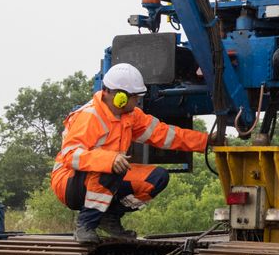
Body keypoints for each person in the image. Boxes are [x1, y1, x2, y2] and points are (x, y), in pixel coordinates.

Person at [51, 63, 209, 243]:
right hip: (70, 183)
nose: (138, 101)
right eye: (136, 96)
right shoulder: (89, 117)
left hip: (104, 177)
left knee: (157, 178)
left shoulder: (131, 116)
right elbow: (71, 155)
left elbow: (164, 134)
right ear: (120, 97)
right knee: (112, 168)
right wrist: (109, 160)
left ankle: (109, 216)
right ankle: (86, 225)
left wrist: (205, 141)